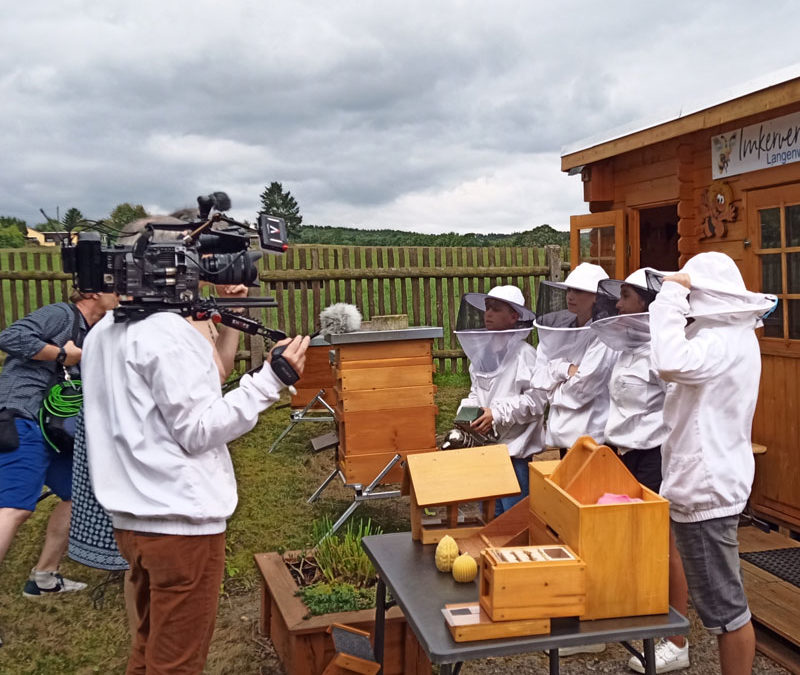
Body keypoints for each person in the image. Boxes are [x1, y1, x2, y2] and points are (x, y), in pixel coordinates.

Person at [82, 288, 310, 674]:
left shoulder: (105, 329)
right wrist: (270, 380)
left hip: (135, 519)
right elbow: (199, 429)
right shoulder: (166, 333)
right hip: (181, 527)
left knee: (149, 646)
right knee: (177, 663)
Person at [649, 252, 776, 675]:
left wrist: (668, 298)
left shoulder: (721, 338)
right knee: (723, 608)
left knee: (727, 612)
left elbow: (669, 362)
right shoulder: (724, 335)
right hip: (707, 482)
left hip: (708, 487)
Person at [591, 270, 690, 673]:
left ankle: (677, 641)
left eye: (626, 295)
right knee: (632, 539)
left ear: (649, 303)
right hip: (624, 453)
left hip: (653, 456)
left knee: (663, 544)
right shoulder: (627, 348)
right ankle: (639, 618)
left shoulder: (663, 352)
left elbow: (676, 410)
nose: (618, 303)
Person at [0, 289, 118, 606]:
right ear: (92, 293)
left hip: (57, 432)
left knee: (78, 495)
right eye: (114, 286)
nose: (121, 293)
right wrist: (62, 355)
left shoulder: (95, 332)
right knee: (14, 508)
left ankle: (44, 578)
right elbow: (11, 337)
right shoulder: (62, 314)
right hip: (23, 419)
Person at [453, 285, 547, 514]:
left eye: (496, 309)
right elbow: (476, 391)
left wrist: (496, 413)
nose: (489, 314)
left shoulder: (525, 355)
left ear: (514, 316)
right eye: (487, 308)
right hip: (487, 451)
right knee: (490, 516)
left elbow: (536, 401)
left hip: (515, 454)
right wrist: (467, 413)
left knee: (515, 519)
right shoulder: (482, 355)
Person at [533, 262, 619, 458]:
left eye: (579, 291)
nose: (570, 296)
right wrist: (564, 368)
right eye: (569, 289)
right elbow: (537, 378)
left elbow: (582, 389)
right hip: (564, 438)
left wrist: (552, 389)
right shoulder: (559, 329)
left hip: (594, 440)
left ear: (597, 297)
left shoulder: (605, 336)